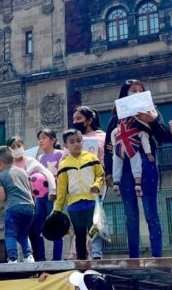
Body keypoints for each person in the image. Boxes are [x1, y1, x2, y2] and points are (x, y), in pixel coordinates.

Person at [104, 79, 172, 258]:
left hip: (146, 162)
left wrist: (154, 122)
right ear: (124, 94)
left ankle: (157, 255)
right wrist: (110, 171)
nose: (136, 93)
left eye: (140, 90)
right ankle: (134, 256)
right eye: (132, 90)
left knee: (151, 211)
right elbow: (108, 146)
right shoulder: (115, 118)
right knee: (130, 214)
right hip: (124, 165)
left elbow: (165, 137)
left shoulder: (153, 112)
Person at [53, 129, 105, 260]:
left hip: (91, 201)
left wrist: (97, 185)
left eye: (79, 140)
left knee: (95, 230)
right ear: (65, 145)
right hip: (74, 205)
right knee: (79, 233)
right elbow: (62, 189)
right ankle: (82, 259)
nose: (76, 144)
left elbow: (100, 175)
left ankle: (97, 256)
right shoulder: (64, 164)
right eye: (72, 142)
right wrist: (57, 209)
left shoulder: (92, 158)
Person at [6, 135, 56, 261]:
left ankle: (39, 261)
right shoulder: (9, 167)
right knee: (19, 234)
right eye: (13, 147)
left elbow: (47, 173)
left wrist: (53, 190)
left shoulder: (30, 162)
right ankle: (24, 259)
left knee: (35, 233)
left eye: (19, 145)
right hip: (15, 206)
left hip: (32, 203)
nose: (17, 148)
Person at [71, 106, 106, 259]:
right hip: (77, 183)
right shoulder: (73, 139)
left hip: (97, 181)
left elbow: (106, 156)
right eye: (74, 119)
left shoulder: (101, 136)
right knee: (78, 220)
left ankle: (95, 253)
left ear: (89, 120)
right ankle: (78, 253)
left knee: (94, 217)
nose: (75, 122)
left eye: (79, 119)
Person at [0, 145, 35, 263]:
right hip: (29, 207)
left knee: (10, 233)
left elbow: (2, 197)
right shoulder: (24, 172)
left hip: (13, 207)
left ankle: (12, 258)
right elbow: (31, 190)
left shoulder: (1, 176)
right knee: (23, 233)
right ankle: (28, 256)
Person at [35, 128, 63, 261]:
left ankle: (56, 259)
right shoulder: (39, 158)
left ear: (53, 140)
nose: (40, 141)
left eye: (44, 138)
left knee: (55, 227)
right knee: (39, 227)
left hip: (54, 196)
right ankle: (41, 258)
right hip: (40, 197)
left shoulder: (60, 154)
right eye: (39, 138)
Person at [111, 118, 154, 197]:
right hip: (132, 149)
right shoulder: (139, 129)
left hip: (119, 148)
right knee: (136, 166)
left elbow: (112, 133)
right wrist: (148, 153)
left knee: (116, 166)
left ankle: (116, 183)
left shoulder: (117, 129)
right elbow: (144, 140)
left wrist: (114, 146)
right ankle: (138, 185)